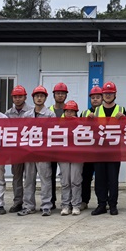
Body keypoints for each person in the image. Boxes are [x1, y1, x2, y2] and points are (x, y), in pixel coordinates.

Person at [18, 86, 56, 216]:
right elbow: (22, 133)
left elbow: (52, 133)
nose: (39, 98)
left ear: (45, 98)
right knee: (28, 179)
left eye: (41, 96)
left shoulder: (50, 114)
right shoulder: (26, 115)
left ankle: (46, 206)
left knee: (45, 179)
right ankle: (28, 206)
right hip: (29, 152)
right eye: (37, 96)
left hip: (43, 152)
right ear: (33, 98)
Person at [92, 81, 125, 216]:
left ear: (115, 94)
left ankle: (112, 205)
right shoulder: (96, 111)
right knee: (100, 179)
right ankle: (101, 204)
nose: (108, 95)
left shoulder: (121, 110)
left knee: (113, 179)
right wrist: (89, 120)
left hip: (114, 151)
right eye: (106, 93)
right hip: (99, 151)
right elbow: (90, 130)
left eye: (110, 93)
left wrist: (124, 119)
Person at [6, 85, 33, 213]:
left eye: (20, 96)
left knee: (29, 177)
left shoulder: (32, 112)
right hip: (15, 150)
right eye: (15, 97)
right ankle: (17, 202)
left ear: (25, 97)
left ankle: (28, 202)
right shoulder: (8, 113)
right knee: (16, 177)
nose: (17, 99)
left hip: (29, 150)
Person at [79, 85, 104, 210]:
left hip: (102, 151)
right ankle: (84, 201)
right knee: (86, 177)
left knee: (101, 178)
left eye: (98, 97)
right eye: (93, 97)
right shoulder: (84, 113)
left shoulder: (107, 112)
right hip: (87, 151)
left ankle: (102, 202)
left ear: (102, 98)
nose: (95, 100)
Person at [48, 81, 70, 210]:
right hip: (50, 148)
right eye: (58, 93)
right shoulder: (48, 111)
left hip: (64, 148)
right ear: (54, 95)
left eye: (62, 93)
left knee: (65, 177)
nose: (60, 95)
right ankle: (51, 201)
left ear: (66, 95)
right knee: (49, 176)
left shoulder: (70, 111)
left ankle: (66, 202)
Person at [58, 100, 83, 216]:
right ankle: (65, 205)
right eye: (67, 111)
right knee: (65, 181)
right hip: (63, 155)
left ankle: (76, 205)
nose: (69, 114)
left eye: (72, 111)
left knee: (75, 180)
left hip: (77, 155)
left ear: (76, 112)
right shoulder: (59, 124)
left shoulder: (81, 124)